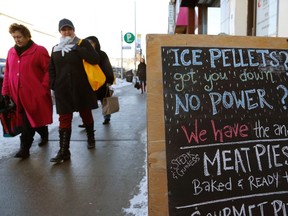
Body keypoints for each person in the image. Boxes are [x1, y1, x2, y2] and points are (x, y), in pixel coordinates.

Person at [49, 18, 100, 163]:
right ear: (60, 31)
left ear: (73, 30)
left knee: (86, 114)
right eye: (63, 29)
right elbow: (51, 68)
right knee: (64, 119)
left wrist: (78, 49)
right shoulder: (55, 48)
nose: (66, 32)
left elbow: (95, 59)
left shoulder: (82, 43)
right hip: (63, 89)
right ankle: (64, 151)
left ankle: (91, 137)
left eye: (69, 29)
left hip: (81, 87)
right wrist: (54, 84)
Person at [1, 23, 53, 159]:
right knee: (29, 120)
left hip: (34, 94)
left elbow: (48, 70)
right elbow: (7, 73)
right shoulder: (11, 52)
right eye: (14, 37)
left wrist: (43, 87)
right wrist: (5, 92)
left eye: (19, 37)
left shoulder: (39, 50)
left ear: (28, 36)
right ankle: (44, 133)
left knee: (28, 121)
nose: (17, 40)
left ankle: (24, 149)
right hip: (16, 95)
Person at [78, 36, 114, 127]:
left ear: (96, 44)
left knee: (104, 100)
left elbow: (107, 67)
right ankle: (86, 121)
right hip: (88, 82)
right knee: (86, 103)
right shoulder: (84, 54)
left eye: (91, 43)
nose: (90, 45)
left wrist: (109, 79)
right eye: (88, 43)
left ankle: (107, 116)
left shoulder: (101, 54)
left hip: (101, 82)